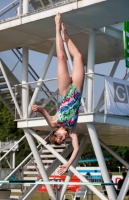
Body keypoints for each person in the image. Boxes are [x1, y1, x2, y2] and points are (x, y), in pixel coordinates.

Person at [32, 13, 84, 175]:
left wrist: (38, 108)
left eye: (59, 138)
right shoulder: (73, 131)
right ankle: (66, 37)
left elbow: (43, 111)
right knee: (79, 57)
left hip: (64, 91)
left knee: (61, 57)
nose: (63, 139)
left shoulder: (54, 123)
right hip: (76, 90)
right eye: (62, 140)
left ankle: (57, 27)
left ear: (55, 132)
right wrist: (68, 165)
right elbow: (75, 149)